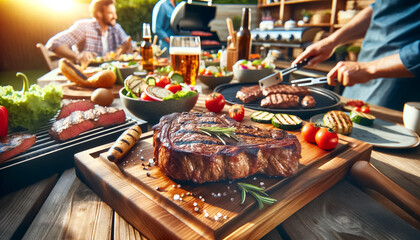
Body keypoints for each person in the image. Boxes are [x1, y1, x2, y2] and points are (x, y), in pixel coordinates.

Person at [292, 0, 420, 111]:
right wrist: (331, 42)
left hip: (398, 77)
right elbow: (381, 8)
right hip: (361, 67)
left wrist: (369, 69)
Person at [46, 0, 133, 67]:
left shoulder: (115, 28)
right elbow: (54, 43)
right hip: (88, 73)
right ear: (99, 13)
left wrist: (129, 47)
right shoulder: (85, 27)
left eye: (115, 13)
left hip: (112, 73)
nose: (115, 17)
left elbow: (129, 44)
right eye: (110, 13)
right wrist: (77, 56)